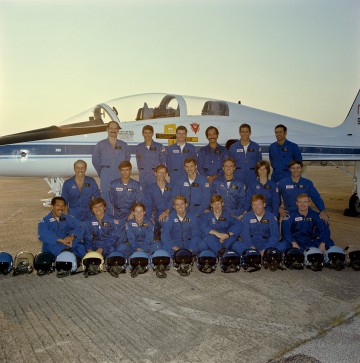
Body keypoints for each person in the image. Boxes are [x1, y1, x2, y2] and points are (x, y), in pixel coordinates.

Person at [92, 121, 131, 211]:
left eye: (115, 128)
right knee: (106, 199)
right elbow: (95, 161)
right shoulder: (100, 145)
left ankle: (120, 221)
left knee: (120, 198)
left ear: (118, 131)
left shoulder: (123, 145)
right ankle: (108, 222)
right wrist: (102, 173)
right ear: (107, 129)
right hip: (106, 175)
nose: (113, 130)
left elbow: (127, 160)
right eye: (111, 128)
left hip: (119, 175)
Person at [109, 161, 144, 239]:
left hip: (131, 214)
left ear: (130, 170)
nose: (125, 172)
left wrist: (132, 214)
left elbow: (139, 202)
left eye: (127, 170)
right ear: (120, 171)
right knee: (118, 237)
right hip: (118, 214)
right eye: (122, 170)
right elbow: (111, 201)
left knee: (134, 236)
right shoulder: (113, 184)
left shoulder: (136, 185)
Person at [228, 123, 262, 189]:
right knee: (238, 195)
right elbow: (230, 163)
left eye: (246, 132)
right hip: (237, 176)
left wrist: (258, 176)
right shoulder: (233, 147)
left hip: (252, 176)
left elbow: (259, 163)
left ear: (250, 133)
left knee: (252, 196)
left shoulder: (256, 146)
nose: (244, 134)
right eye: (242, 132)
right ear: (240, 133)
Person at [144, 165, 173, 240]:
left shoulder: (171, 187)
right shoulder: (150, 188)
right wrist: (149, 218)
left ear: (166, 174)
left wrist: (167, 211)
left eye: (164, 173)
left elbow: (173, 201)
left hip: (168, 214)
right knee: (149, 233)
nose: (162, 175)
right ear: (155, 173)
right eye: (159, 172)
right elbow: (148, 204)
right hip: (155, 215)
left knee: (168, 234)